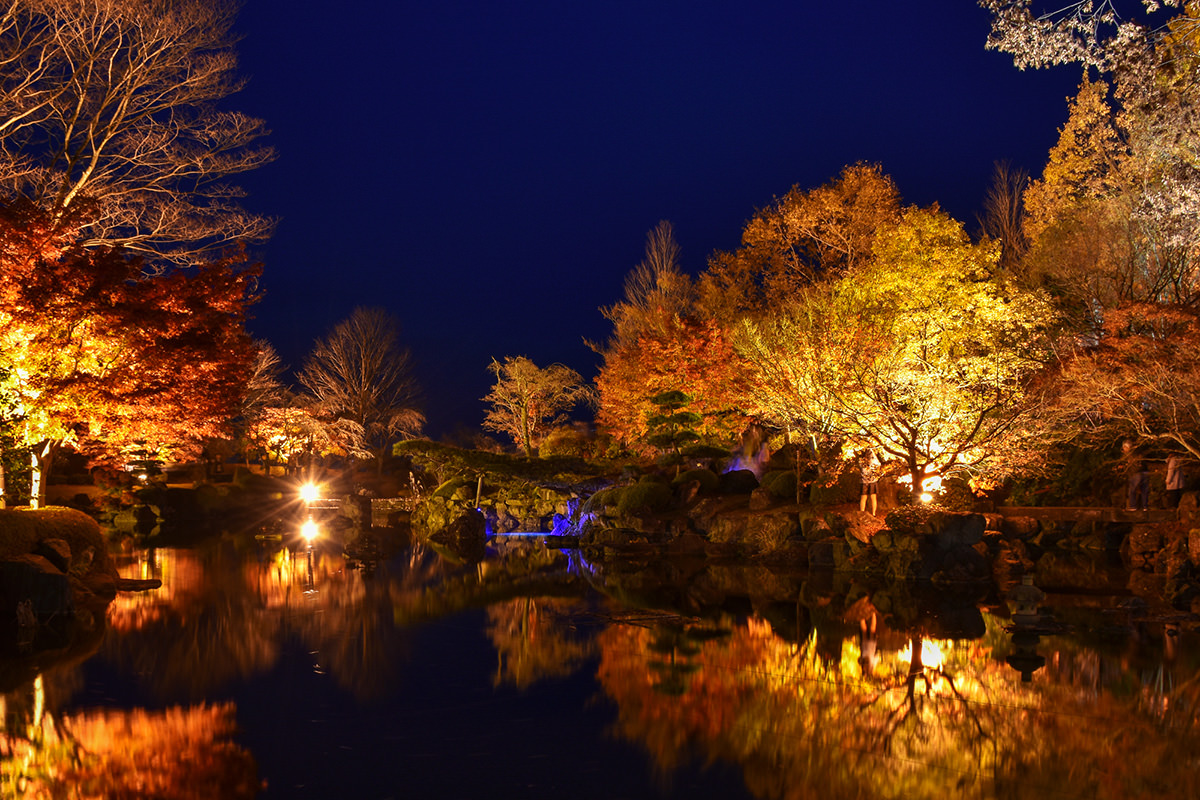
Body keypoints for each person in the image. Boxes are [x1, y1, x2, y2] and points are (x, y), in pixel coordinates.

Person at [1123, 439, 1150, 512]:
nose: (1124, 450)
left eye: (1124, 448)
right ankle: (1145, 507)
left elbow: (1132, 465)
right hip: (1145, 472)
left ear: (1127, 447)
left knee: (1132, 490)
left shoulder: (1130, 454)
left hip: (1136, 473)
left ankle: (1132, 506)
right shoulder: (1139, 452)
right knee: (1144, 490)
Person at [859, 449, 880, 516]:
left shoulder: (863, 461)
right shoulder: (864, 461)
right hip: (868, 481)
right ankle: (864, 513)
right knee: (867, 498)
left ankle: (872, 513)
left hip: (868, 481)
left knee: (869, 498)